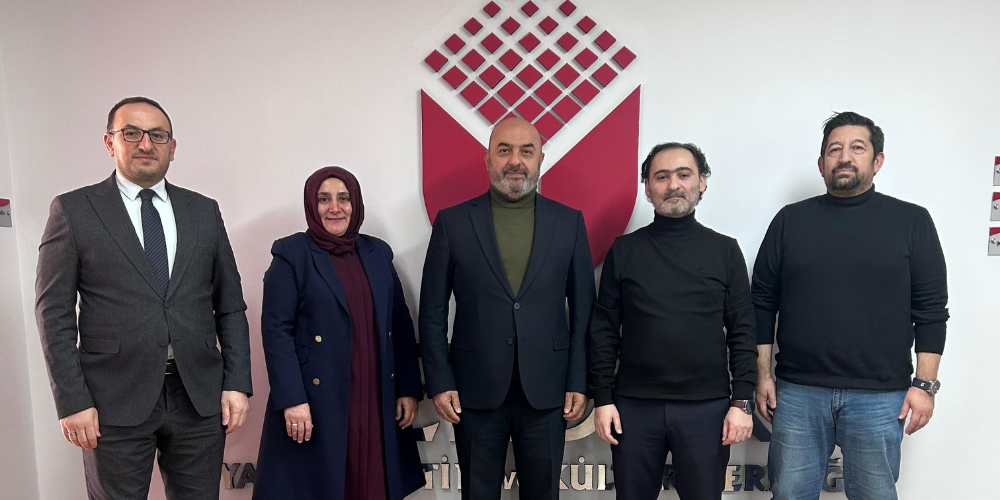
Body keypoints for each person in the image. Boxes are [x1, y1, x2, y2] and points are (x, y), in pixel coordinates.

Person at [35, 96, 252, 499]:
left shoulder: (204, 211)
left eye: (158, 135)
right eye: (132, 133)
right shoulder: (74, 210)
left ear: (173, 146)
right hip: (112, 400)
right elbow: (53, 315)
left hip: (198, 396)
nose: (146, 144)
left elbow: (231, 305)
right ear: (110, 142)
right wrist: (72, 400)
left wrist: (237, 383)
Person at [752, 111, 949, 500]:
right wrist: (762, 377)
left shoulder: (912, 222)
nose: (844, 157)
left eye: (857, 148)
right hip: (798, 392)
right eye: (834, 149)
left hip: (881, 396)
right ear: (821, 163)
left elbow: (930, 310)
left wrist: (925, 385)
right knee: (789, 494)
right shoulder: (790, 221)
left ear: (877, 161)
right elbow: (761, 303)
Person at [419, 118, 595, 500]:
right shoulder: (452, 222)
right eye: (504, 150)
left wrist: (579, 380)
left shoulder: (569, 222)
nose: (515, 161)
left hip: (548, 389)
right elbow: (432, 311)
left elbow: (584, 312)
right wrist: (440, 381)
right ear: (488, 159)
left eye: (526, 151)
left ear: (540, 160)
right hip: (474, 388)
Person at [590, 143, 757, 499]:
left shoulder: (725, 251)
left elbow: (742, 331)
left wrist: (741, 402)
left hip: (707, 409)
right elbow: (604, 331)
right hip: (633, 407)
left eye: (684, 174)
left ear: (702, 182)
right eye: (661, 177)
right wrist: (602, 399)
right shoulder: (624, 250)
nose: (673, 185)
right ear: (647, 188)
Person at [253, 166, 424, 500]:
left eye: (343, 198)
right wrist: (292, 399)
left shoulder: (378, 252)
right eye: (324, 199)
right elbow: (276, 331)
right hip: (317, 402)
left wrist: (407, 388)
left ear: (355, 203)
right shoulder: (291, 254)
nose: (335, 208)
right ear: (311, 204)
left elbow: (400, 324)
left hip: (376, 399)